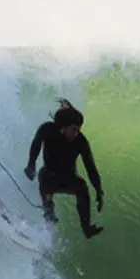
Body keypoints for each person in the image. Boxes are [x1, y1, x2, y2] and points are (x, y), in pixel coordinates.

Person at [24, 98, 105, 238]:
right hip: (49, 177)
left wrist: (99, 190)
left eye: (78, 130)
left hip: (68, 178)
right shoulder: (47, 130)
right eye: (73, 130)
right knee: (43, 177)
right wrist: (31, 165)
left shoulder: (80, 141)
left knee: (82, 186)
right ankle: (48, 214)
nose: (76, 134)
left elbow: (90, 166)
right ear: (63, 127)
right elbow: (36, 145)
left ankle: (86, 228)